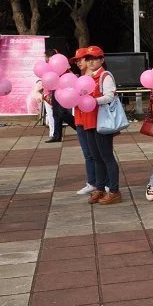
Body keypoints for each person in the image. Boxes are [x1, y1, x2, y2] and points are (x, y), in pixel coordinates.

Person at [81, 46, 123, 205]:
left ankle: (114, 190)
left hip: (102, 121)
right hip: (89, 121)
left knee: (107, 157)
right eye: (88, 59)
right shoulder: (87, 77)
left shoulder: (105, 76)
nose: (91, 62)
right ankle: (100, 188)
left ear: (102, 59)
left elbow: (110, 96)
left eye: (94, 58)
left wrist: (93, 101)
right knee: (96, 157)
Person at [70, 48, 99, 195]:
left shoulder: (96, 78)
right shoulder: (77, 78)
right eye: (76, 61)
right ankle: (92, 182)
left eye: (80, 60)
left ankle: (103, 183)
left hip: (92, 120)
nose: (78, 63)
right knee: (87, 154)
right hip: (80, 120)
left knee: (97, 154)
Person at [44, 49, 73, 143]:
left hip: (63, 90)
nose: (45, 59)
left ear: (49, 57)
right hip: (54, 90)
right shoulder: (49, 66)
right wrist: (48, 93)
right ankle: (57, 136)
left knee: (62, 113)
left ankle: (79, 127)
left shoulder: (61, 62)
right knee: (55, 113)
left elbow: (69, 73)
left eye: (46, 57)